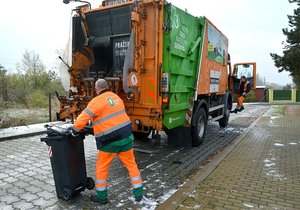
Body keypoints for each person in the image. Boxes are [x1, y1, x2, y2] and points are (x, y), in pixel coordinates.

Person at [69, 79, 143, 204]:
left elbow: (83, 117)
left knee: (101, 168)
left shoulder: (96, 102)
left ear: (96, 89)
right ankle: (139, 194)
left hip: (110, 141)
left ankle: (102, 197)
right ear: (107, 87)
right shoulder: (116, 98)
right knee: (131, 165)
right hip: (126, 137)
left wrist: (74, 131)